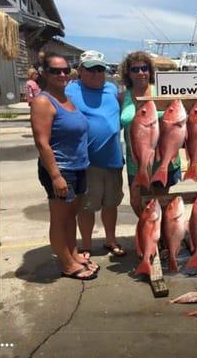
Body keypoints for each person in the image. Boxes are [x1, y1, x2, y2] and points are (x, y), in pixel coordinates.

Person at [30, 52, 99, 280]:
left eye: (65, 70)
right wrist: (56, 176)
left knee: (71, 215)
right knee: (60, 218)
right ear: (44, 73)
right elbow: (42, 142)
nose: (61, 74)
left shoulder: (65, 98)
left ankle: (73, 254)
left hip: (78, 167)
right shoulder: (43, 101)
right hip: (61, 169)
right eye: (55, 71)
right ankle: (67, 264)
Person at [66, 50, 126, 258]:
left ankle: (110, 240)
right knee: (87, 207)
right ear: (80, 70)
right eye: (91, 69)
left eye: (100, 69)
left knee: (111, 204)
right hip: (87, 162)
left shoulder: (111, 89)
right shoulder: (71, 90)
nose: (96, 73)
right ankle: (87, 245)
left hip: (114, 159)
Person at [119, 51, 182, 217]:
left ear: (150, 70)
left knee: (160, 200)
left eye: (144, 68)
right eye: (135, 69)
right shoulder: (122, 97)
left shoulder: (164, 91)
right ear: (128, 73)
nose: (140, 73)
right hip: (137, 160)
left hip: (164, 158)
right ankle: (148, 232)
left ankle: (160, 238)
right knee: (137, 201)